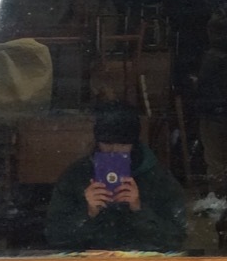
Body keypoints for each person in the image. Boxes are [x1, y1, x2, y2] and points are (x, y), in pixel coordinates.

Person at [45, 103, 187, 252]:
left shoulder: (157, 178)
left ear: (134, 144)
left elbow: (176, 239)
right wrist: (88, 213)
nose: (113, 151)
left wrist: (139, 209)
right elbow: (54, 236)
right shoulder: (77, 176)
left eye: (122, 144)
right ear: (97, 141)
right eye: (107, 143)